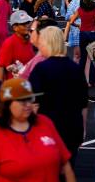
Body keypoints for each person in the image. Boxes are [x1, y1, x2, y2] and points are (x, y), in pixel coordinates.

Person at [28, 25, 89, 160]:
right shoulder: (76, 70)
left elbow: (33, 103)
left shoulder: (41, 69)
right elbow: (83, 104)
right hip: (72, 128)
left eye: (41, 42)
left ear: (48, 43)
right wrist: (83, 128)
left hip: (47, 129)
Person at [0, 9, 34, 81]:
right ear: (15, 27)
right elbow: (0, 67)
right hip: (14, 87)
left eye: (28, 22)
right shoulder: (9, 43)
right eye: (23, 24)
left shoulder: (30, 40)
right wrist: (0, 89)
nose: (27, 26)